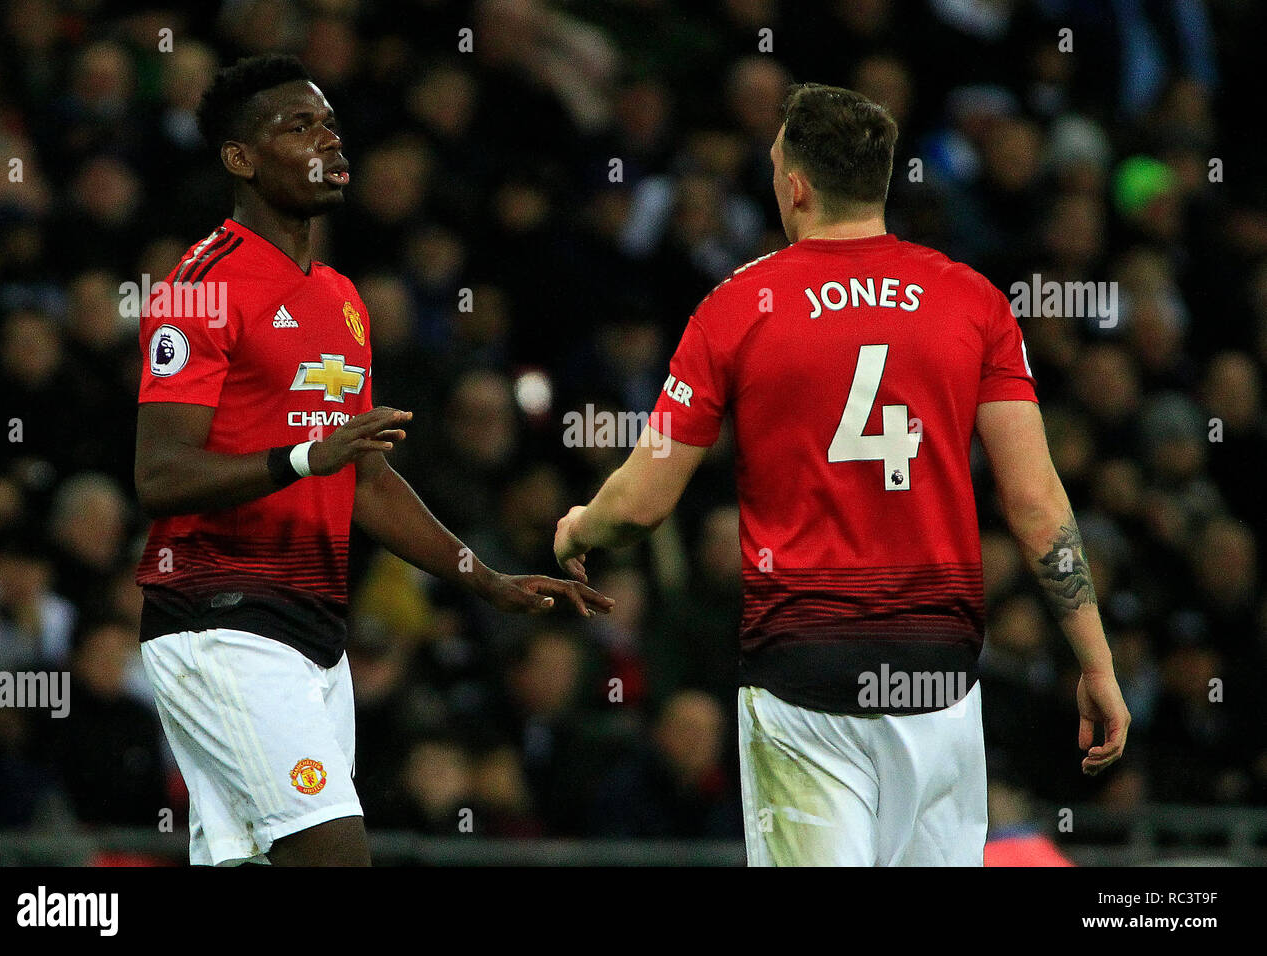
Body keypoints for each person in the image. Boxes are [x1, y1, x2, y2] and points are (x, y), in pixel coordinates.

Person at [554, 83, 1129, 866]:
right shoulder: (974, 302)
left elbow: (644, 504)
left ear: (795, 183)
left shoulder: (739, 305)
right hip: (940, 685)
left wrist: (580, 526)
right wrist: (1095, 662)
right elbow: (1035, 503)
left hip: (806, 684)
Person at [133, 54, 612, 867]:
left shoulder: (343, 300)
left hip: (316, 628)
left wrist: (484, 577)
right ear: (239, 159)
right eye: (298, 126)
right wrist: (304, 456)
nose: (327, 140)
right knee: (334, 854)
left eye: (328, 123)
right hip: (219, 616)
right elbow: (161, 476)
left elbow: (366, 479)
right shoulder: (198, 288)